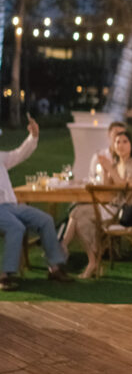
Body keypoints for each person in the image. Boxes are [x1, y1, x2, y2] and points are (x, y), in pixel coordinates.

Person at [0, 115, 70, 290]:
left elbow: (19, 154)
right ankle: (4, 276)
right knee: (16, 227)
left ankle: (54, 268)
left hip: (12, 206)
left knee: (45, 220)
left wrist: (33, 136)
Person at [63, 129, 132, 279]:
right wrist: (105, 171)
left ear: (131, 145)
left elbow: (126, 187)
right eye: (117, 142)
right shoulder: (115, 164)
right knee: (79, 215)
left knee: (78, 214)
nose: (120, 145)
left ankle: (85, 256)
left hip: (126, 210)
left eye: (125, 142)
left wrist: (110, 169)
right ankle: (93, 259)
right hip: (111, 206)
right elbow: (108, 188)